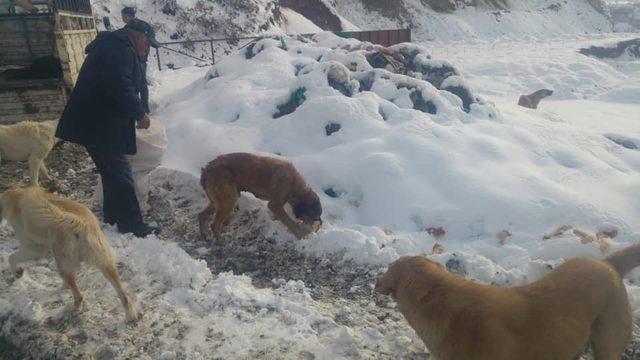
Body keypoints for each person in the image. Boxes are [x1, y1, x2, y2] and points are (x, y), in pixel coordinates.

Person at [55, 26, 159, 237]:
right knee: (120, 173)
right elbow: (120, 86)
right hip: (98, 124)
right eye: (147, 44)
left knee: (111, 172)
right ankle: (132, 225)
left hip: (96, 121)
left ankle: (113, 216)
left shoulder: (116, 46)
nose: (147, 49)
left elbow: (123, 85)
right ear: (138, 36)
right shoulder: (119, 49)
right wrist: (139, 113)